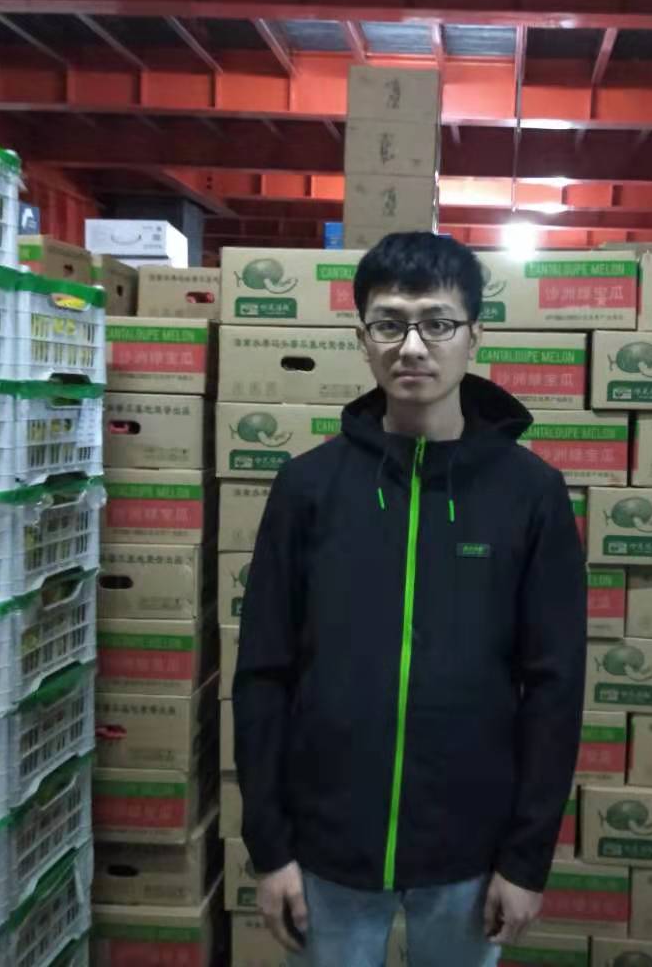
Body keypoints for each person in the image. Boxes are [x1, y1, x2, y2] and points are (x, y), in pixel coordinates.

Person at [233, 232, 587, 967]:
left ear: (475, 335)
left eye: (438, 323)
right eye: (390, 324)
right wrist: (270, 848)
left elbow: (554, 687)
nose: (413, 346)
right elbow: (263, 674)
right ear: (362, 337)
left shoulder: (530, 494)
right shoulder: (308, 488)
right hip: (327, 850)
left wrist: (526, 859)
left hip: (470, 851)